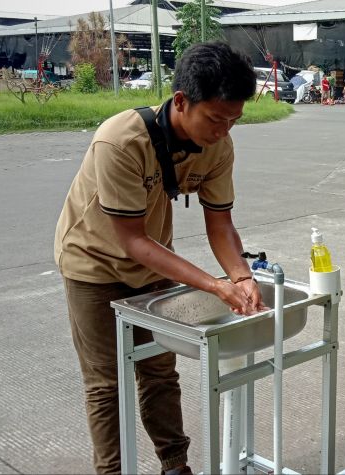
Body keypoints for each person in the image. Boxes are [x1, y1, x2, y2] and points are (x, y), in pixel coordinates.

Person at [54, 42, 266, 474]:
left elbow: (220, 223)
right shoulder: (119, 141)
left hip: (153, 263)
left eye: (234, 121)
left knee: (159, 371)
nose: (224, 130)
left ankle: (175, 465)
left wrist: (241, 276)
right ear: (182, 101)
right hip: (93, 264)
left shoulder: (218, 145)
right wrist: (212, 284)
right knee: (106, 384)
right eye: (216, 118)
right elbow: (132, 241)